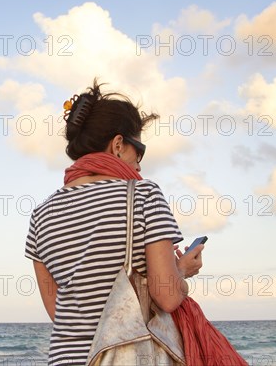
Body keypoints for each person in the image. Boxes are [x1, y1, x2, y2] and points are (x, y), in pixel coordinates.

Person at [24, 79, 204, 366]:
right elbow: (167, 297)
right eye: (139, 151)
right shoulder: (144, 194)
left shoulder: (41, 215)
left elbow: (59, 313)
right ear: (118, 144)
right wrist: (182, 270)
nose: (140, 165)